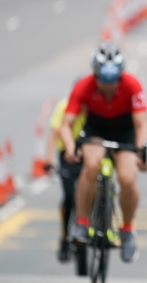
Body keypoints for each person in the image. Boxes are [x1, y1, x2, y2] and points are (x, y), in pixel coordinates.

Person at [62, 42, 147, 263]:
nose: (108, 86)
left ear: (120, 75)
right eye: (103, 80)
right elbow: (66, 124)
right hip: (96, 128)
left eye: (113, 80)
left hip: (125, 129)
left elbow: (141, 125)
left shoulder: (132, 85)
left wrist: (141, 151)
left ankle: (127, 230)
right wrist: (71, 147)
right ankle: (82, 223)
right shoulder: (83, 86)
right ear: (95, 74)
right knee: (91, 165)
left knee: (127, 178)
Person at [44, 95, 87, 262]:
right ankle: (64, 238)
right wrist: (48, 160)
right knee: (69, 197)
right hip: (66, 156)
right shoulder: (63, 107)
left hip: (87, 153)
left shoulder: (92, 107)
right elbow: (54, 134)